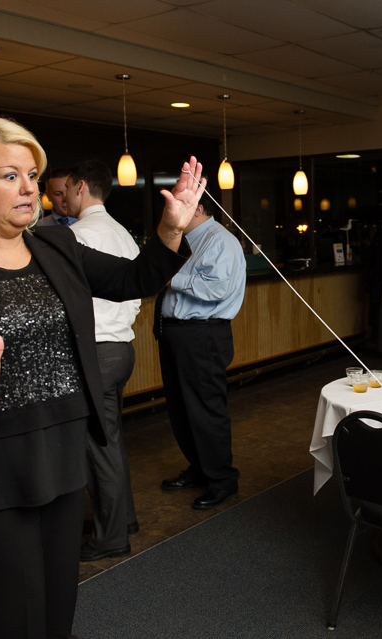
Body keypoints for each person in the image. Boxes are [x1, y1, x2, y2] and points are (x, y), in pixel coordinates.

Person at [0, 115, 204, 639]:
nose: (29, 188)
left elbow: (132, 279)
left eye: (32, 175)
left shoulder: (56, 246)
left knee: (55, 613)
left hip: (58, 459)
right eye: (10, 175)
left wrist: (172, 229)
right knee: (1, 621)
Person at [64, 159, 141, 562]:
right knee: (110, 440)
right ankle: (122, 518)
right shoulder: (123, 233)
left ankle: (110, 537)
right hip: (123, 348)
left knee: (99, 446)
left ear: (80, 187)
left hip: (94, 352)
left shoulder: (77, 236)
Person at [157, 193, 246, 510]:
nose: (170, 210)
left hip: (202, 334)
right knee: (181, 409)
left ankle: (223, 481)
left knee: (205, 410)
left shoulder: (220, 240)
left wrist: (173, 277)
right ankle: (200, 468)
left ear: (198, 207)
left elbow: (216, 288)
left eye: (179, 204)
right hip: (176, 334)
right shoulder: (184, 239)